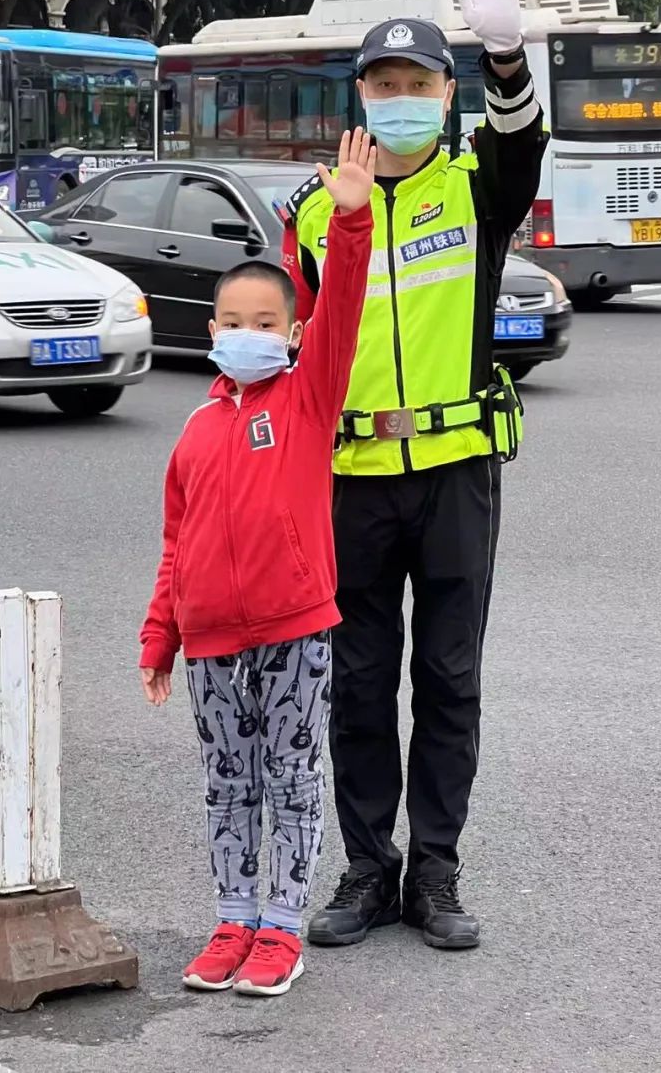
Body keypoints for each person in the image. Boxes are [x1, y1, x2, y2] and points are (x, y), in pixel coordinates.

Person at [282, 0, 546, 952]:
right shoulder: (313, 207)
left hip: (452, 471)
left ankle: (435, 871)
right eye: (384, 84)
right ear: (363, 96)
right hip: (345, 476)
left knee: (447, 676)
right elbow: (293, 341)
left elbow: (525, 144)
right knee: (356, 679)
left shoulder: (478, 185)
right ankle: (366, 867)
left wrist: (506, 53)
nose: (401, 98)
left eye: (420, 83)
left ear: (444, 94)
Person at [138, 128, 376, 998]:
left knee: (291, 778)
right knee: (227, 784)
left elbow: (343, 308)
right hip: (208, 643)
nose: (248, 334)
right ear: (212, 330)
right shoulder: (197, 429)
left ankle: (281, 926)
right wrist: (159, 636)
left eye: (266, 323)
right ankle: (233, 915)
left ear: (291, 331)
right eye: (233, 323)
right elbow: (177, 538)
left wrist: (351, 226)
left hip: (295, 632)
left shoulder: (309, 397)